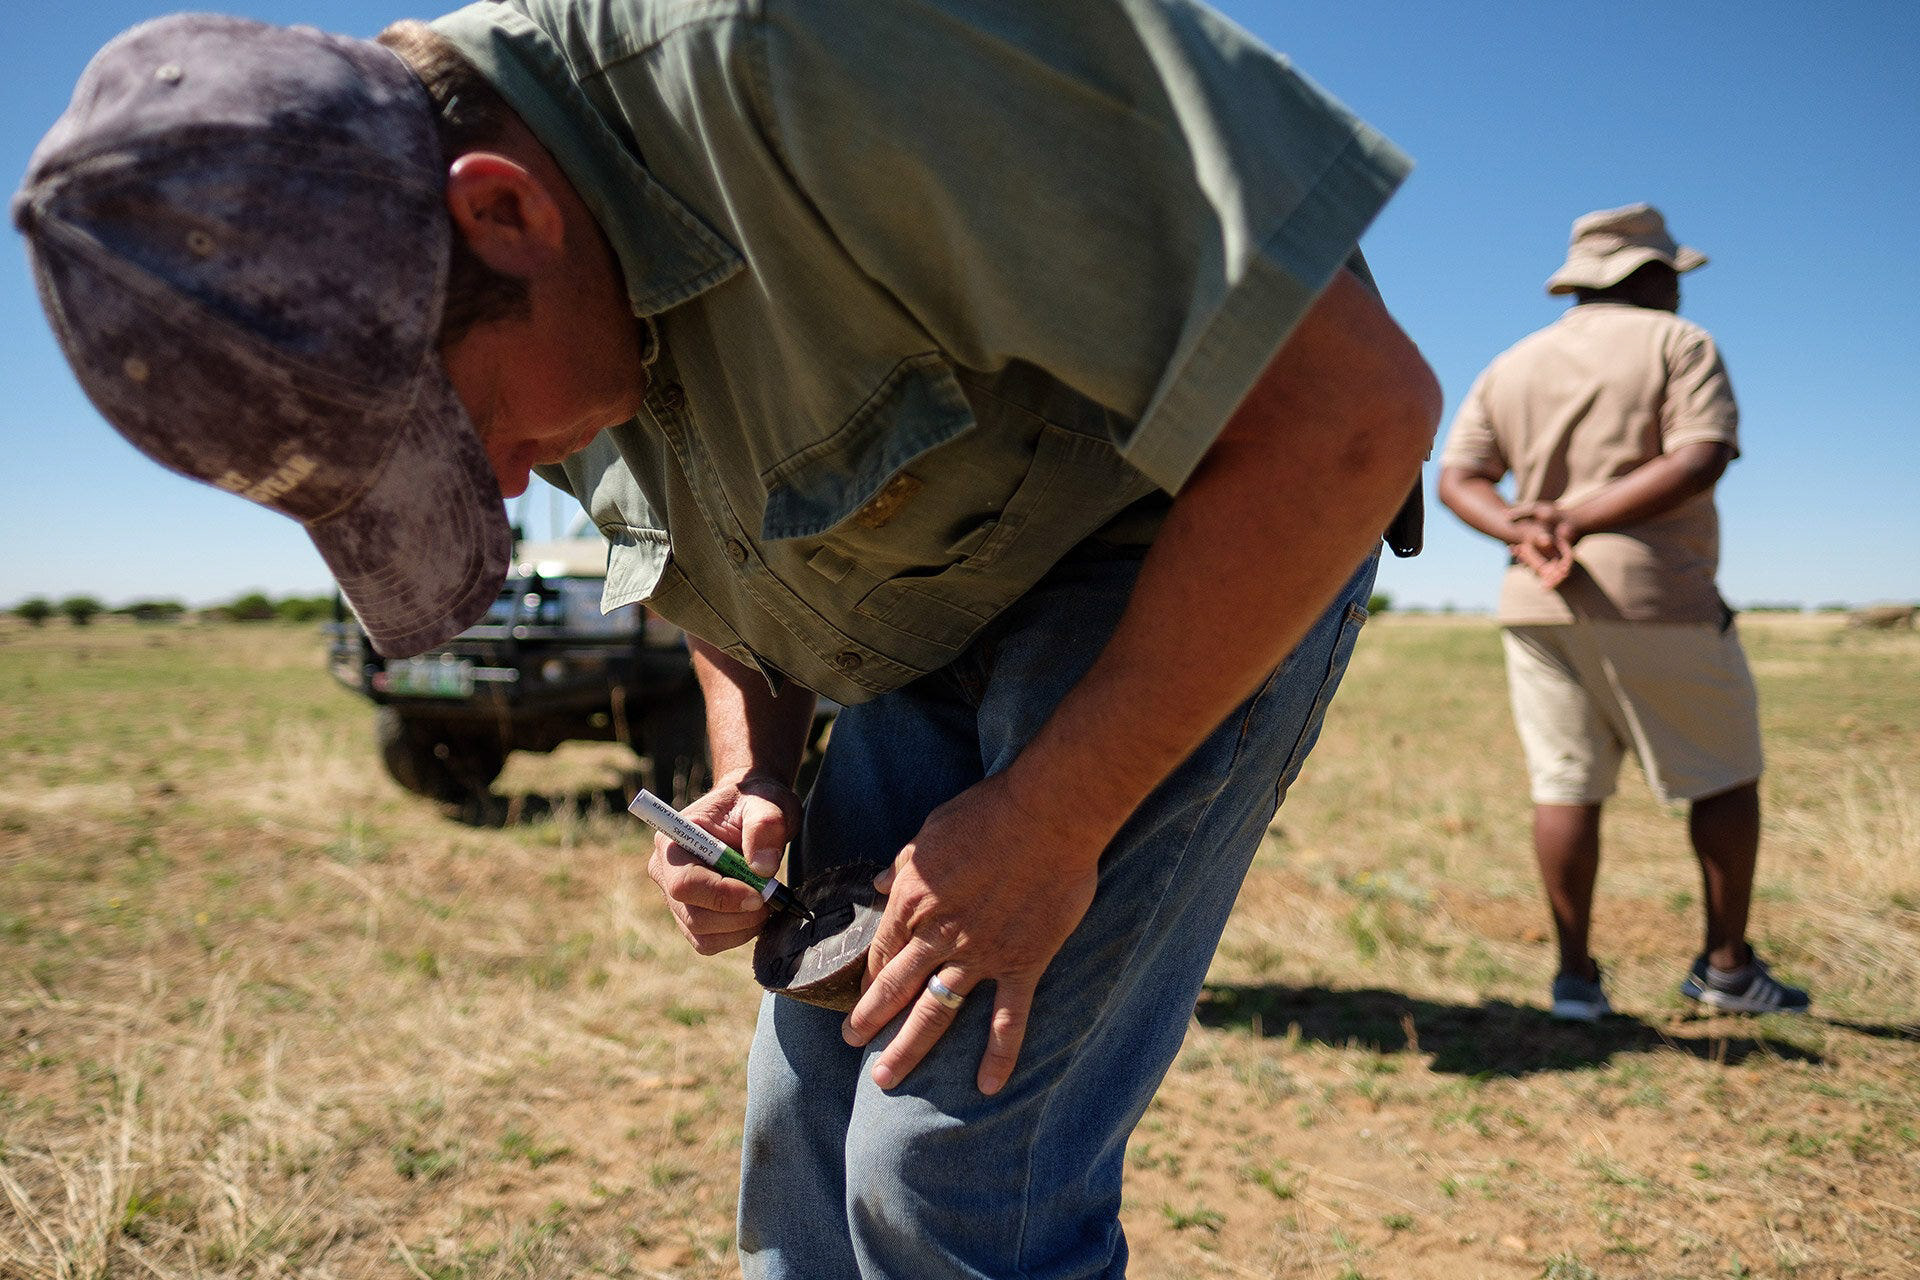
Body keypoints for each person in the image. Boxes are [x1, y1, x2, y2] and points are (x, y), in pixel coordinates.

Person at [16, 4, 1438, 1275]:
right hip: (911, 612)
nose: (503, 484)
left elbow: (1349, 419)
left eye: (472, 433)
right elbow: (706, 557)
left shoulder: (823, 55)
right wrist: (752, 769)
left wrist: (1052, 816)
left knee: (947, 1168)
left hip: (1189, 544)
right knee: (803, 1105)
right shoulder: (520, 283)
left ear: (502, 212)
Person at [1437, 203, 1809, 1024]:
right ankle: (1727, 968)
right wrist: (1577, 521)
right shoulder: (1679, 343)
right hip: (1654, 595)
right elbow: (1700, 455)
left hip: (1535, 598)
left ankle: (1575, 980)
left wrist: (1526, 529)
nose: (1678, 288)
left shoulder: (1513, 362)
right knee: (1724, 776)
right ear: (1648, 275)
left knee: (1565, 784)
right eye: (1671, 273)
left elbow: (1459, 478)